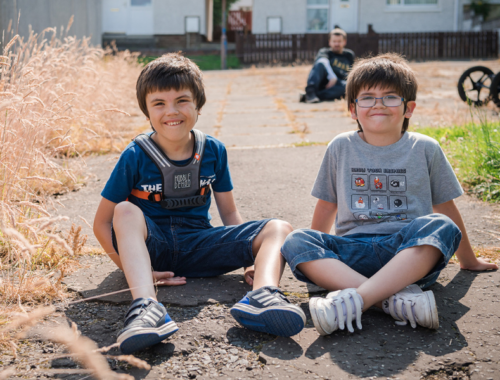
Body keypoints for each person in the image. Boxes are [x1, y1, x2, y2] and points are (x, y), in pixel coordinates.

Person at [93, 53, 305, 354]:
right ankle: (146, 309)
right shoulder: (135, 154)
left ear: (198, 105)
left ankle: (264, 293)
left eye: (182, 100)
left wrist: (249, 261)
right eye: (159, 103)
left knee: (279, 228)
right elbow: (102, 222)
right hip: (153, 249)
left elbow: (229, 211)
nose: (172, 111)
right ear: (147, 112)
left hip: (200, 246)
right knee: (124, 210)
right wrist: (128, 268)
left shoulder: (213, 150)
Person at [283, 53, 498, 336]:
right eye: (368, 97)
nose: (379, 105)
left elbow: (445, 207)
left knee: (441, 225)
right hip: (352, 253)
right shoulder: (340, 147)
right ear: (353, 109)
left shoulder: (426, 148)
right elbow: (327, 205)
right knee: (297, 241)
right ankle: (392, 300)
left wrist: (468, 260)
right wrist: (319, 249)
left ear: (409, 108)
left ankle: (356, 300)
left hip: (408, 254)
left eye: (390, 97)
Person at [300, 28, 355, 104]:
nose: (336, 44)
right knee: (320, 64)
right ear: (329, 42)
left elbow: (352, 72)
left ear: (344, 42)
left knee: (348, 87)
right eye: (334, 41)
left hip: (340, 85)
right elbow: (322, 62)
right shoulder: (324, 51)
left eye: (339, 41)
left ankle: (311, 96)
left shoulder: (349, 55)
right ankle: (310, 92)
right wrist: (332, 77)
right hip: (326, 81)